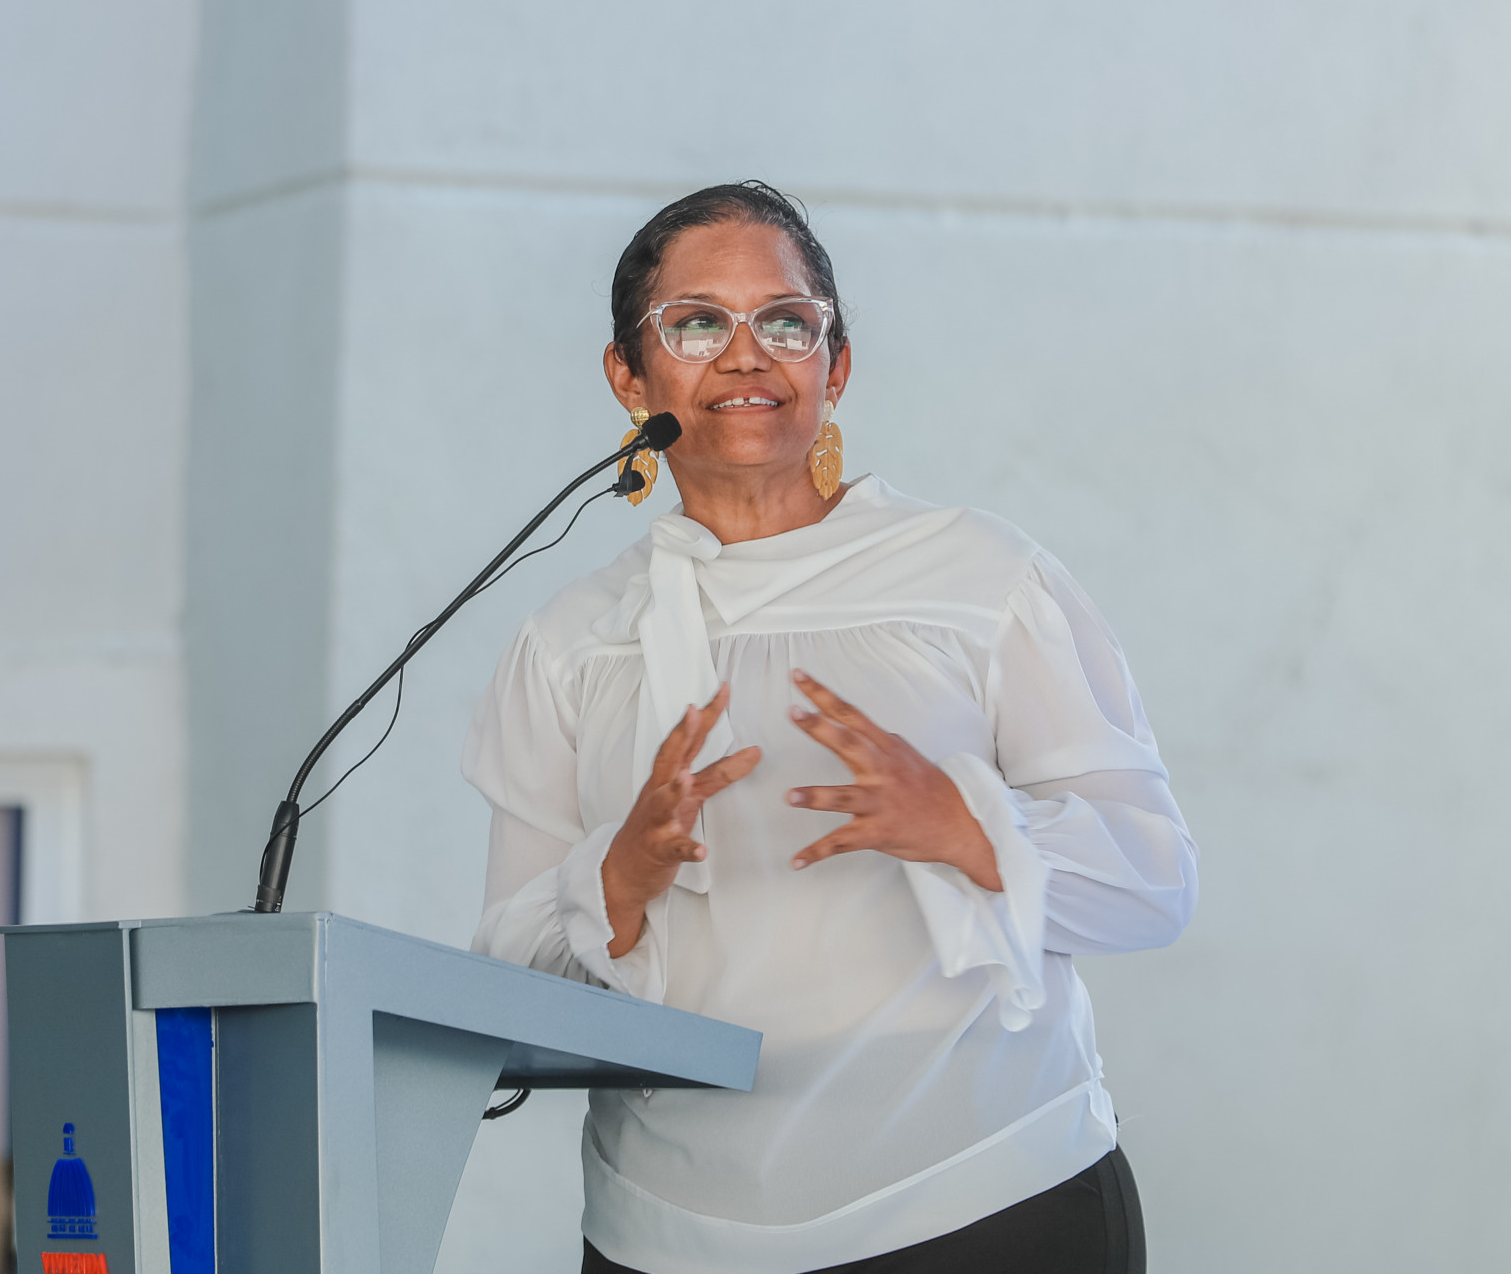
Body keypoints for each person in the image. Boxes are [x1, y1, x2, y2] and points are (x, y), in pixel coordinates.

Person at [465, 182, 1198, 1274]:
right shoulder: (572, 643)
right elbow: (505, 986)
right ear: (629, 375)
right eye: (697, 322)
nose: (746, 353)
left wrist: (966, 827)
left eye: (787, 321)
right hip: (666, 1234)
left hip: (984, 1198)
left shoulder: (979, 578)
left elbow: (1154, 882)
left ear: (835, 365)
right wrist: (616, 877)